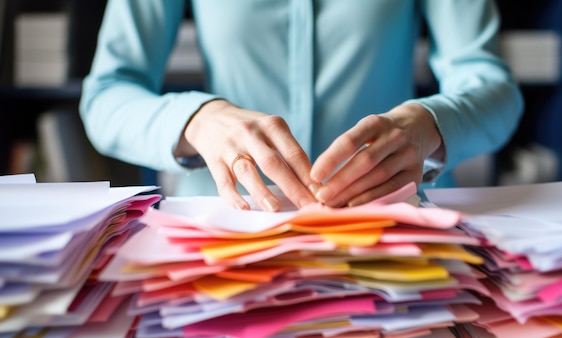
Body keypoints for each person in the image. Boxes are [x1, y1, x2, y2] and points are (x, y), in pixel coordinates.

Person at [80, 0, 523, 212]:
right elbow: (106, 95)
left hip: (393, 218)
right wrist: (196, 120)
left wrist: (428, 124)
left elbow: (495, 89)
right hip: (226, 223)